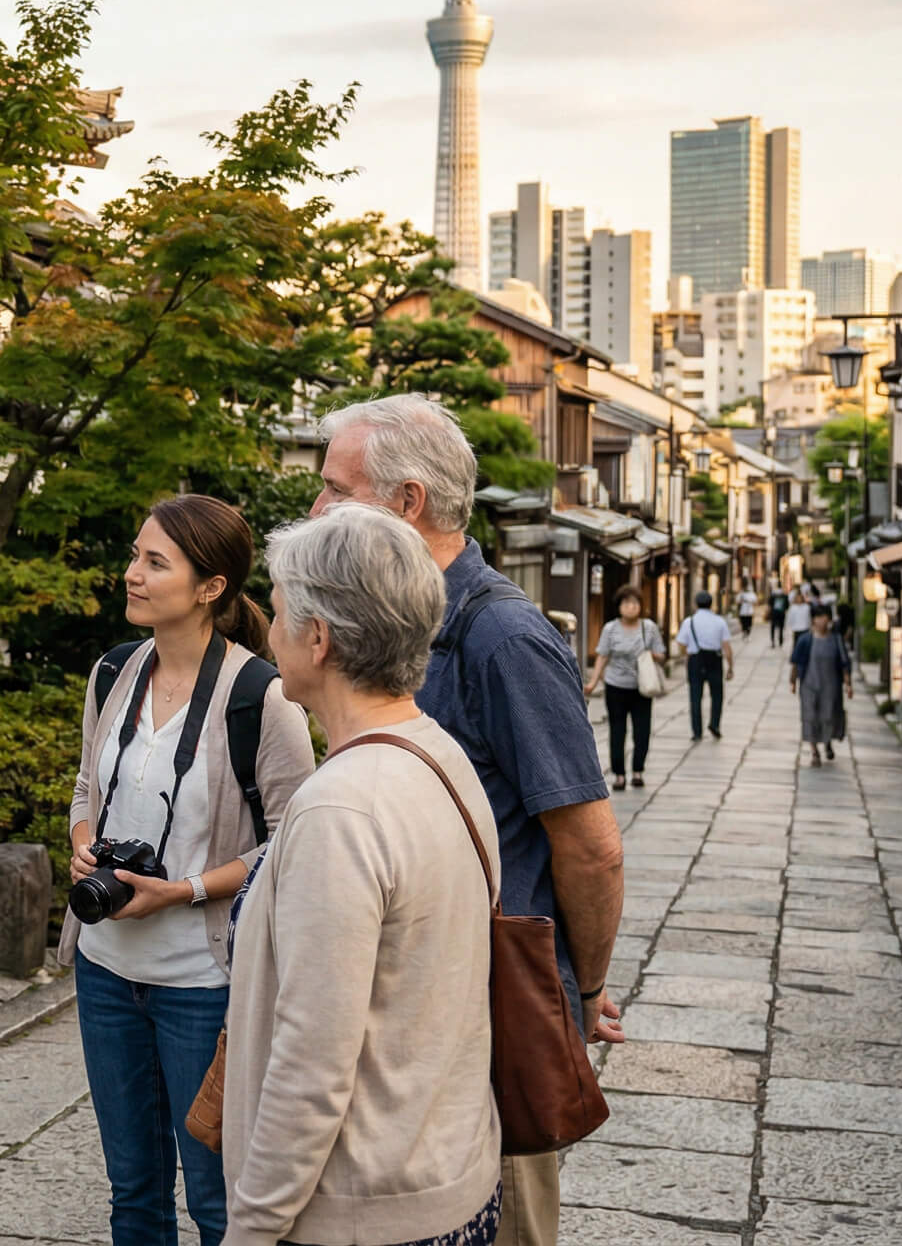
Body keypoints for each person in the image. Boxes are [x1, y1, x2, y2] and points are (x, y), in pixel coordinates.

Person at [311, 395, 624, 1246]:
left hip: (495, 1013)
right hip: (405, 1009)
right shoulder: (388, 623)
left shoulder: (501, 636)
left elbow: (590, 848)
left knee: (508, 1220)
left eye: (335, 489)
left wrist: (580, 993)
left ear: (407, 503)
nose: (317, 510)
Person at [221, 501, 501, 1246]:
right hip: (449, 1167)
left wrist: (250, 1228)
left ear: (318, 639)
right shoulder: (439, 753)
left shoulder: (339, 809)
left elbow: (312, 1063)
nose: (268, 632)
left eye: (278, 614)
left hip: (360, 1209)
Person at [62, 495, 317, 1246]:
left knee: (216, 1201)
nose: (132, 574)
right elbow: (86, 786)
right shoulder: (113, 673)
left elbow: (293, 839)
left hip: (203, 987)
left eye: (154, 562)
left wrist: (185, 890)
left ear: (209, 587)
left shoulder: (261, 697)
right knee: (132, 1192)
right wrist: (84, 843)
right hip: (104, 967)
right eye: (136, 555)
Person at [583, 587, 663, 790]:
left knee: (642, 731)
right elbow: (602, 655)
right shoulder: (610, 629)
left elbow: (661, 653)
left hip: (642, 688)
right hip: (616, 686)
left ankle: (638, 771)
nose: (631, 607)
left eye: (635, 603)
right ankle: (619, 774)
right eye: (626, 603)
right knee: (617, 731)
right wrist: (593, 682)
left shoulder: (649, 627)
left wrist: (649, 654)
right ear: (619, 607)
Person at [791, 603, 855, 764]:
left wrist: (848, 684)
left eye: (824, 617)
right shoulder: (805, 639)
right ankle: (814, 751)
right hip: (809, 684)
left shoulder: (836, 639)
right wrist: (792, 681)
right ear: (813, 620)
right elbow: (796, 662)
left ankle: (827, 743)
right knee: (810, 716)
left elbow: (844, 663)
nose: (821, 621)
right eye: (818, 617)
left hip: (831, 685)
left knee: (828, 716)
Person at [676, 589, 731, 742]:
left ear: (696, 604)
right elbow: (726, 646)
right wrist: (730, 666)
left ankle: (697, 731)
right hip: (714, 659)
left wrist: (686, 654)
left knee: (695, 696)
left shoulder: (689, 621)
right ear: (711, 604)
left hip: (696, 659)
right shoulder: (719, 621)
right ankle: (714, 724)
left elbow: (680, 642)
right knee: (717, 695)